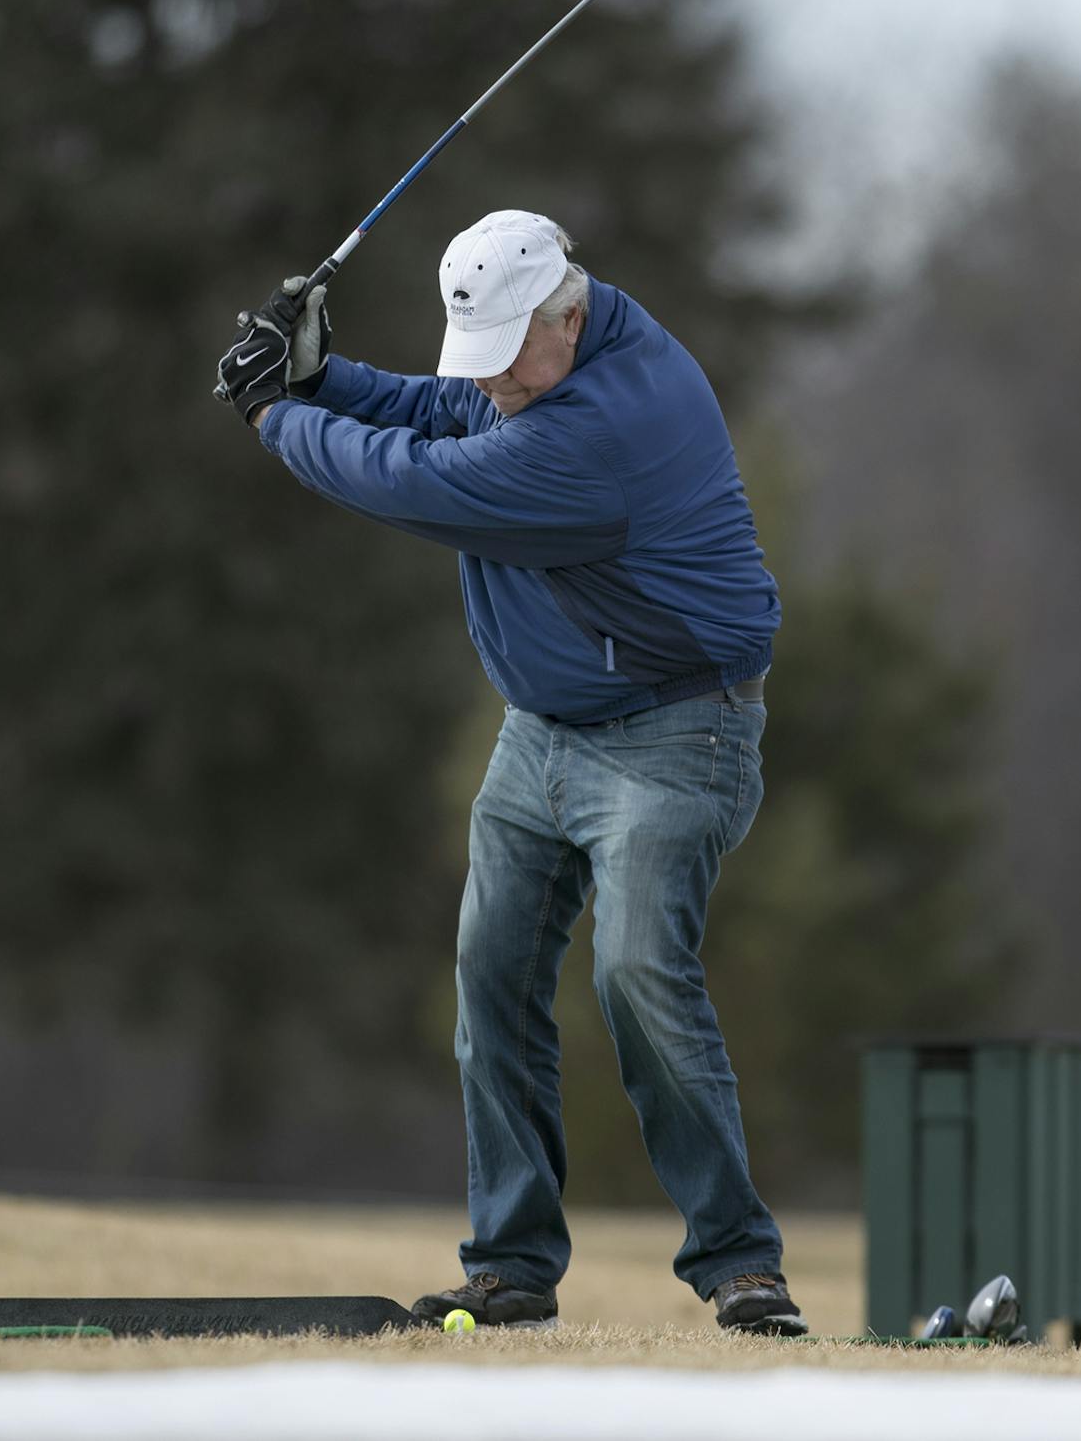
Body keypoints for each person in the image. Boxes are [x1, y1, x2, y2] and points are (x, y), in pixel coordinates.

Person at [216, 210, 801, 1335]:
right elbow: (444, 408)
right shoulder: (554, 360)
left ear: (565, 316)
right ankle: (511, 1268)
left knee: (637, 971)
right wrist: (327, 374)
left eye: (505, 359)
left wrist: (277, 413)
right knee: (491, 975)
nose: (490, 381)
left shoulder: (603, 433)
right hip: (546, 728)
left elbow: (416, 479)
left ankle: (742, 1264)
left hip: (681, 733)